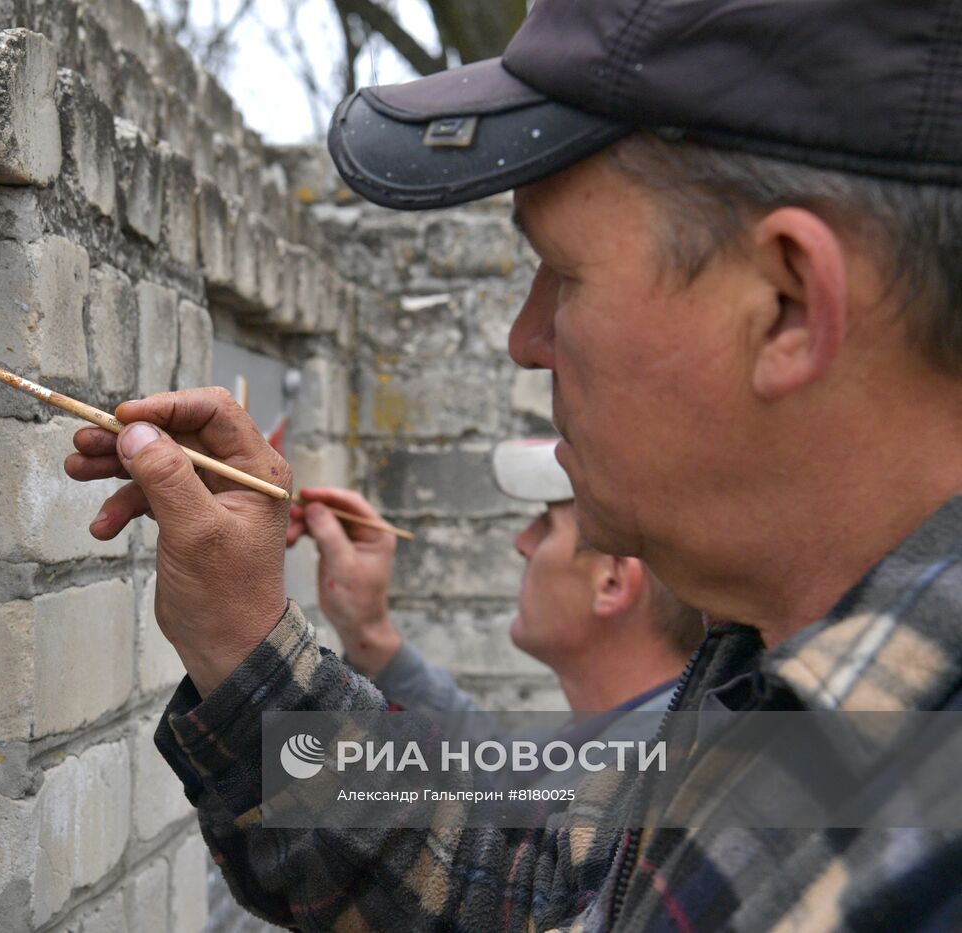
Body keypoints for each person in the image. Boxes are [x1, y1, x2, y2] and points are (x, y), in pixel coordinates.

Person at [63, 0, 962, 927]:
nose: (525, 338)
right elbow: (520, 890)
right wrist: (239, 638)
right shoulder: (772, 690)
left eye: (565, 275)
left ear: (787, 304)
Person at [288, 439, 702, 718]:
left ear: (611, 581)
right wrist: (367, 630)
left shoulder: (617, 797)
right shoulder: (621, 745)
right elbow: (491, 763)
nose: (522, 541)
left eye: (546, 524)